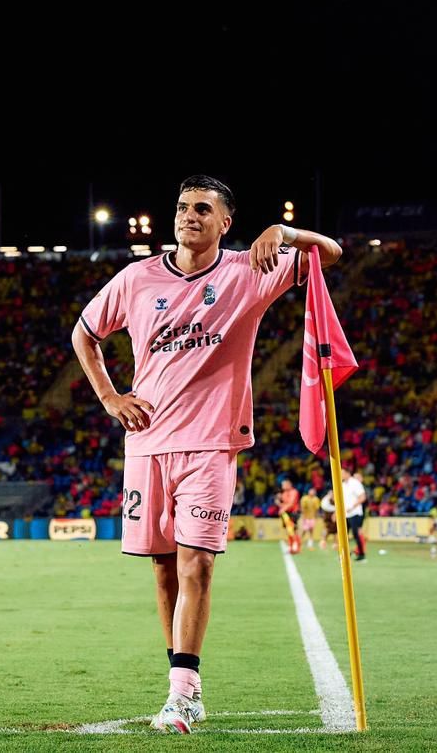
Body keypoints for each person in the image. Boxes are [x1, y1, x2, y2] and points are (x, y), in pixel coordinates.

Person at [70, 174, 341, 734]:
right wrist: (109, 396)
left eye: (201, 208)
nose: (188, 215)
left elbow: (332, 254)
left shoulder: (249, 271)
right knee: (164, 570)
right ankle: (178, 681)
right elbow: (84, 334)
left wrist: (283, 229)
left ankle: (184, 694)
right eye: (181, 207)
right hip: (147, 443)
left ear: (225, 222)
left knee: (199, 562)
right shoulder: (136, 278)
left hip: (212, 444)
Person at [322, 465, 369, 562]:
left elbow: (362, 497)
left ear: (348, 473)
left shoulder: (355, 483)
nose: (340, 475)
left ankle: (361, 555)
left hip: (355, 513)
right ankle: (343, 555)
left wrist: (352, 507)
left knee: (356, 534)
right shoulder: (342, 485)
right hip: (345, 514)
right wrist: (336, 512)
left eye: (342, 473)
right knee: (343, 535)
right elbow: (340, 501)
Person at [276, 479, 301, 555]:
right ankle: (291, 547)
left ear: (289, 485)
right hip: (286, 514)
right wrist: (279, 502)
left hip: (293, 513)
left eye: (284, 485)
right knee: (288, 531)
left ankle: (296, 547)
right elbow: (285, 504)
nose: (282, 486)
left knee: (292, 530)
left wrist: (282, 509)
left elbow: (291, 503)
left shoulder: (294, 492)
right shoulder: (284, 493)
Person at [299, 486, 324, 551]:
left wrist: (317, 516)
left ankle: (310, 544)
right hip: (306, 517)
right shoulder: (304, 498)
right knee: (304, 531)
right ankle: (299, 542)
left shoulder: (316, 499)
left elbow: (317, 508)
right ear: (308, 491)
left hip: (312, 517)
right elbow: (302, 508)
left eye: (313, 491)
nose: (312, 492)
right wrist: (303, 516)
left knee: (311, 531)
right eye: (311, 491)